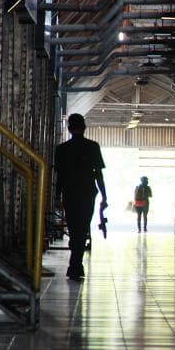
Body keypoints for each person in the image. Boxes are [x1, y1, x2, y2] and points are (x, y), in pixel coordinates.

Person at [54, 113, 108, 280]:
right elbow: (98, 174)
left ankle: (75, 263)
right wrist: (104, 196)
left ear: (69, 129)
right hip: (87, 193)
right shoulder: (93, 147)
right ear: (84, 128)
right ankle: (76, 264)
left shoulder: (61, 149)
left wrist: (57, 196)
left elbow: (60, 176)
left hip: (69, 194)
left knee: (73, 228)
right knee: (82, 227)